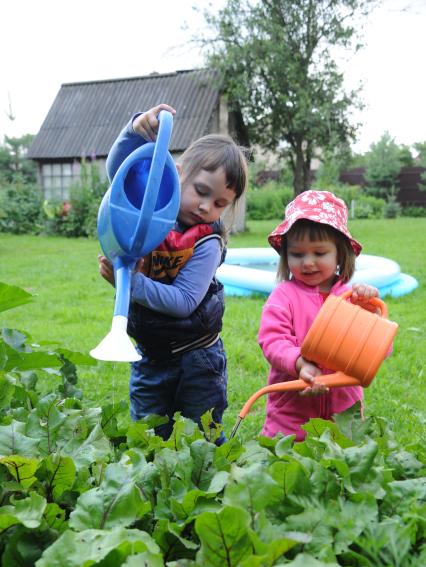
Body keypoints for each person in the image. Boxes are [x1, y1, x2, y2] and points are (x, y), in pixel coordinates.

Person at [98, 103, 248, 444]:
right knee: (149, 434)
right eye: (201, 191)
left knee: (201, 437)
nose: (206, 207)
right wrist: (137, 128)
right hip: (151, 353)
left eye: (220, 203)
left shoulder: (207, 241)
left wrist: (130, 284)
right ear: (177, 173)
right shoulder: (148, 212)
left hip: (198, 358)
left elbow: (183, 301)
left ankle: (207, 488)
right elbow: (121, 172)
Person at [258, 189, 380, 441]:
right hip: (291, 412)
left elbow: (376, 351)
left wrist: (369, 310)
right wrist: (299, 363)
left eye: (319, 253)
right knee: (286, 469)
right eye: (297, 254)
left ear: (340, 253)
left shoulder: (352, 298)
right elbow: (273, 341)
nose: (308, 262)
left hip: (343, 413)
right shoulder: (283, 297)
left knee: (340, 471)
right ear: (285, 255)